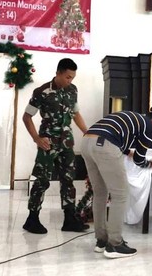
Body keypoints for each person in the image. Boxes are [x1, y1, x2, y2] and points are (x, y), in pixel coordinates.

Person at [81, 108, 152, 259]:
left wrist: (129, 152)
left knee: (100, 193)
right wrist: (148, 164)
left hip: (86, 142)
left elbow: (117, 139)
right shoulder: (149, 126)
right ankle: (114, 244)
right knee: (120, 194)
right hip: (104, 145)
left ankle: (101, 241)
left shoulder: (136, 118)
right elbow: (139, 159)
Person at [22, 58, 90, 234]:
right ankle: (32, 218)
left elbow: (75, 113)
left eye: (72, 77)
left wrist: (87, 131)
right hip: (48, 143)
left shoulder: (72, 90)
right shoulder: (41, 92)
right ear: (58, 73)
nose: (70, 81)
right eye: (68, 77)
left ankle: (69, 219)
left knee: (68, 180)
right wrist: (37, 138)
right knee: (42, 180)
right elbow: (27, 117)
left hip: (66, 143)